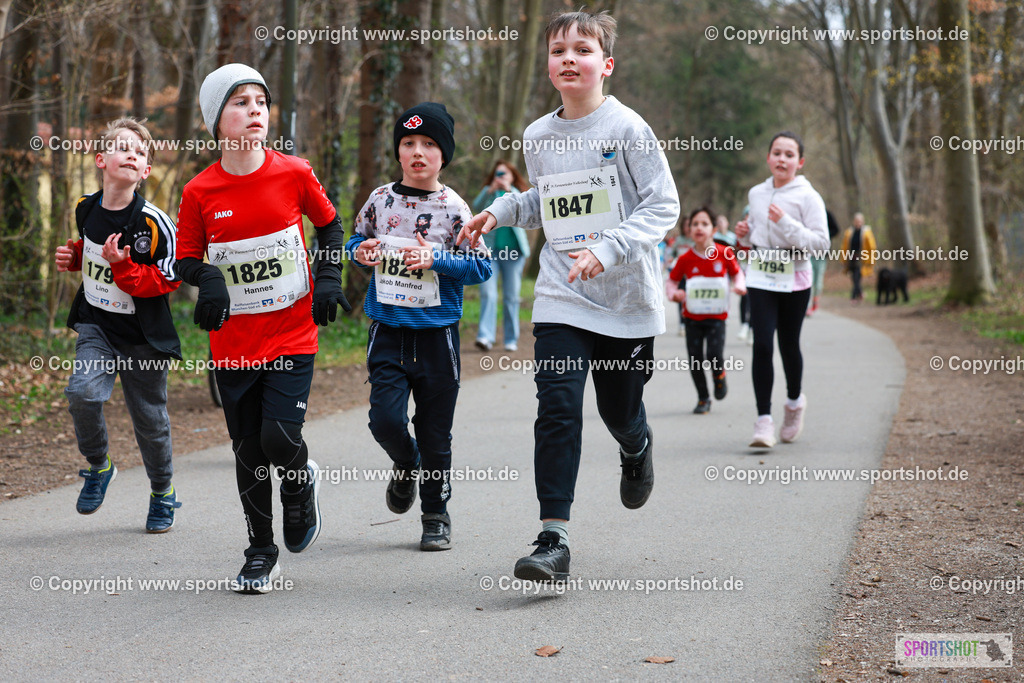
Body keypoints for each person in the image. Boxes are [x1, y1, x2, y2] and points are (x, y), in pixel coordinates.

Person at [459, 10, 679, 582]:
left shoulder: (628, 129)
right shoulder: (536, 136)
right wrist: (500, 210)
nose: (568, 59)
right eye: (558, 51)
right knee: (557, 406)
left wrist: (607, 250)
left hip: (625, 299)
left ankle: (636, 444)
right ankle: (552, 536)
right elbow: (546, 202)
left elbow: (663, 206)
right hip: (562, 294)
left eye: (581, 49)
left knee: (617, 410)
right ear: (549, 65)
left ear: (605, 64)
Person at [175, 64, 352, 593]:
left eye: (261, 101)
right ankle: (260, 551)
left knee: (278, 437)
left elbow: (331, 224)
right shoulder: (199, 191)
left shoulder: (293, 172)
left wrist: (328, 273)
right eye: (240, 102)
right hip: (232, 343)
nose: (255, 110)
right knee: (248, 450)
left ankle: (299, 485)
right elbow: (183, 258)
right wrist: (206, 277)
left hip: (293, 331)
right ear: (216, 120)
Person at [347, 103, 491, 551]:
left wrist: (438, 259)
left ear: (443, 155)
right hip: (388, 329)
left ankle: (435, 515)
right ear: (398, 151)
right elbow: (355, 240)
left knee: (435, 433)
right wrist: (360, 251)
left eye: (429, 144)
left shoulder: (454, 209)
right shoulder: (379, 200)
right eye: (409, 143)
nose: (418, 152)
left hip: (437, 335)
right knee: (385, 421)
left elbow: (480, 267)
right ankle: (405, 463)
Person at [55, 117, 182, 532]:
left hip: (143, 336)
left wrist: (125, 270)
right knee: (82, 393)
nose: (132, 153)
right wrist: (76, 259)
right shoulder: (85, 208)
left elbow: (171, 277)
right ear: (101, 159)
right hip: (97, 324)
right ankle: (99, 465)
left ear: (145, 171)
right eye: (123, 147)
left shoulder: (154, 222)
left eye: (140, 152)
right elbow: (92, 251)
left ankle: (162, 493)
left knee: (149, 420)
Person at [734, 131, 829, 448]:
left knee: (788, 344)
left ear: (799, 163)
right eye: (777, 153)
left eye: (789, 155)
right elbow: (753, 239)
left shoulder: (808, 197)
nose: (782, 159)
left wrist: (787, 223)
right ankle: (763, 422)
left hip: (795, 278)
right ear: (768, 158)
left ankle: (793, 403)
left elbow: (821, 245)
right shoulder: (756, 194)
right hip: (761, 274)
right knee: (761, 344)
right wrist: (744, 235)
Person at [666, 207, 745, 414]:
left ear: (714, 229)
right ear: (689, 229)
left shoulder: (724, 253)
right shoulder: (684, 259)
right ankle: (703, 398)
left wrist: (739, 286)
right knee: (695, 360)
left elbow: (738, 274)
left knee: (714, 355)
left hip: (717, 317)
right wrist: (675, 294)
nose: (699, 227)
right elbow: (672, 283)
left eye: (704, 224)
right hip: (692, 317)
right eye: (695, 224)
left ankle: (719, 377)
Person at [472, 160, 531, 352]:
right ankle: (485, 337)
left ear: (513, 176)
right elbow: (476, 205)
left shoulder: (517, 194)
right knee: (488, 293)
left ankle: (510, 339)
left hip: (514, 253)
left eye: (504, 174)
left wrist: (509, 188)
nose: (500, 177)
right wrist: (489, 190)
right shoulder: (489, 194)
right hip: (489, 253)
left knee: (511, 297)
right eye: (497, 174)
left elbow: (525, 209)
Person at [805, 209, 838, 317]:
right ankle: (808, 306)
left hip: (822, 255)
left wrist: (826, 235)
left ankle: (815, 300)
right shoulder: (809, 213)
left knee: (818, 282)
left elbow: (836, 229)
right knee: (809, 281)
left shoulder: (827, 214)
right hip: (809, 254)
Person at [840, 212, 876, 303]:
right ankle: (860, 293)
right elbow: (844, 246)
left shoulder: (866, 233)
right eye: (856, 221)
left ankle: (853, 297)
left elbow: (872, 247)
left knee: (857, 277)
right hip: (851, 258)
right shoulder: (849, 232)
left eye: (859, 221)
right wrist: (843, 259)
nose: (858, 223)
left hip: (861, 259)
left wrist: (871, 260)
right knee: (854, 278)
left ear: (863, 222)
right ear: (854, 221)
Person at [735, 205, 752, 344]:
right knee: (744, 297)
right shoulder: (740, 232)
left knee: (754, 299)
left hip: (758, 269)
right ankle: (744, 326)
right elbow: (736, 251)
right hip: (744, 267)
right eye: (747, 215)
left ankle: (752, 328)